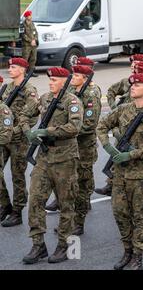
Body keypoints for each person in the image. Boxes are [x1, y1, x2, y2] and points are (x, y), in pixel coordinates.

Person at [97, 73, 143, 270]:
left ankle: (138, 256)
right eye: (132, 84)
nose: (133, 87)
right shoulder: (123, 110)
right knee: (120, 214)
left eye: (138, 84)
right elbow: (102, 126)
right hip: (120, 175)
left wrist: (131, 154)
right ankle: (127, 250)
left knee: (140, 216)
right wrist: (108, 146)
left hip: (142, 176)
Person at [21, 67, 83, 264]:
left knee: (66, 204)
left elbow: (74, 128)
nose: (50, 82)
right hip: (44, 158)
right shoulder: (45, 98)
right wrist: (28, 131)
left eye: (55, 80)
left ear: (65, 81)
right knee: (35, 201)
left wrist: (47, 132)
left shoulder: (72, 101)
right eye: (50, 79)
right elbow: (24, 114)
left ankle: (66, 246)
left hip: (65, 159)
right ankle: (38, 245)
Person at [0, 58, 39, 228]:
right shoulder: (7, 87)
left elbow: (33, 117)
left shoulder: (29, 90)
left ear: (23, 70)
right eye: (9, 66)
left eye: (13, 67)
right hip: (4, 138)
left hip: (18, 140)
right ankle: (5, 204)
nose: (10, 69)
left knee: (17, 176)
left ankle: (17, 211)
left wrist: (14, 131)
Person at [69, 65, 102, 235]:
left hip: (84, 144)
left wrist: (67, 131)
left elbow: (89, 124)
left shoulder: (91, 95)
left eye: (76, 75)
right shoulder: (72, 92)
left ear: (85, 78)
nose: (73, 77)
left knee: (82, 180)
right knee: (71, 182)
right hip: (71, 144)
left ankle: (78, 221)